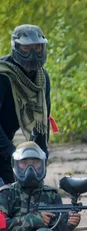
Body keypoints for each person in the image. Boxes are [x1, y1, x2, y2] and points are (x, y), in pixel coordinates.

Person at [0, 24, 54, 184]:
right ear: (16, 47)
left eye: (37, 47)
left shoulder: (42, 79)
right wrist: (13, 154)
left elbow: (42, 122)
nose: (33, 53)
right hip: (3, 144)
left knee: (22, 192)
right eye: (26, 47)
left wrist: (39, 157)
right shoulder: (3, 76)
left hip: (4, 142)